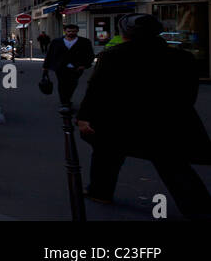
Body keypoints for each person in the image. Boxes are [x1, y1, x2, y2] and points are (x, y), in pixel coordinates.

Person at [76, 13, 211, 218]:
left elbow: (97, 90)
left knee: (107, 157)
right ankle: (199, 209)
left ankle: (100, 192)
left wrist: (84, 116)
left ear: (126, 34)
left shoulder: (113, 55)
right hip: (167, 123)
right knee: (174, 167)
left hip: (120, 121)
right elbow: (189, 92)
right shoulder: (182, 57)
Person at [42, 23, 95, 105]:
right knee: (62, 84)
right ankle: (64, 102)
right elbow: (50, 54)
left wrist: (84, 65)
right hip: (60, 67)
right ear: (65, 31)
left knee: (72, 84)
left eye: (73, 31)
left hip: (77, 68)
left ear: (77, 31)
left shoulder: (85, 42)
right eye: (69, 31)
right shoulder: (56, 42)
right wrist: (45, 67)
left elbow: (90, 55)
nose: (71, 33)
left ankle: (67, 99)